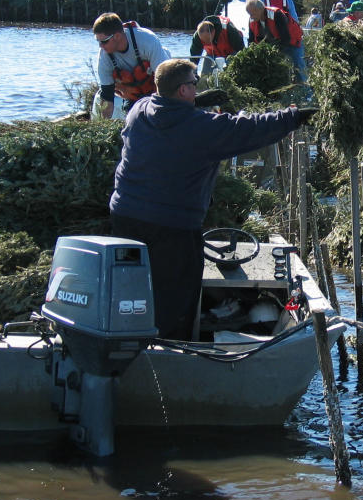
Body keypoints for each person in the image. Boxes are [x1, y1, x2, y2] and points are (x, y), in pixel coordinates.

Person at [108, 58, 316, 339]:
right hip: (171, 225)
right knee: (177, 293)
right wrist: (293, 117)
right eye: (194, 84)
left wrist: (197, 101)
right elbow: (247, 128)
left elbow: (166, 111)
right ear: (182, 90)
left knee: (135, 283)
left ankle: (128, 336)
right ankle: (173, 350)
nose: (197, 87)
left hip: (125, 215)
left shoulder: (139, 110)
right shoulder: (202, 128)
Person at [93, 12, 172, 119]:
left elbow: (165, 84)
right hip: (132, 97)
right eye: (98, 41)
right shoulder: (104, 56)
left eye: (104, 41)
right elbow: (107, 96)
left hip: (159, 86)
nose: (100, 46)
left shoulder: (148, 41)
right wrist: (104, 128)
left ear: (117, 36)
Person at [245, 0, 307, 83]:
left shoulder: (276, 14)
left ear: (260, 10)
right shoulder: (252, 20)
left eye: (252, 14)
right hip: (276, 44)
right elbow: (251, 41)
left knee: (299, 67)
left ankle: (307, 92)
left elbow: (286, 38)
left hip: (293, 42)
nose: (251, 17)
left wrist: (275, 54)